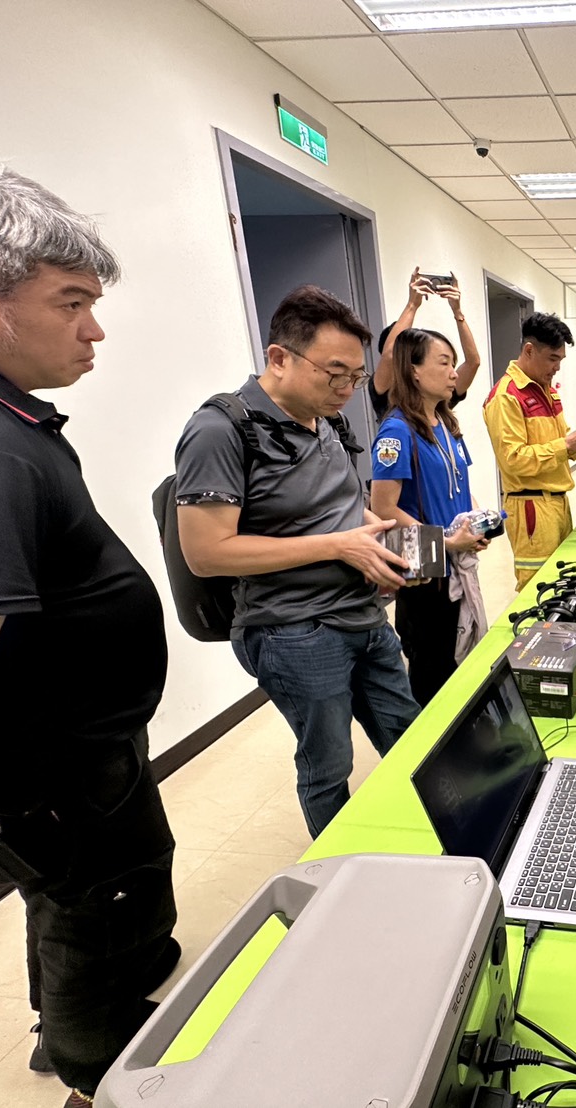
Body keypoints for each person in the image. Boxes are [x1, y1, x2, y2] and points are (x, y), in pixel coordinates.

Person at [0, 147, 178, 1108]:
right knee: (97, 915)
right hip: (46, 779)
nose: (94, 329)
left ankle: (62, 1034)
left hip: (51, 763)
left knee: (65, 901)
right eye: (71, 302)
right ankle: (100, 1076)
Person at [175, 285, 419, 839]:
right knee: (329, 765)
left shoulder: (327, 421)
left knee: (411, 736)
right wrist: (339, 546)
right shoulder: (220, 430)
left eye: (356, 376)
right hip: (294, 630)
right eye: (334, 374)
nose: (347, 389)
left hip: (363, 615)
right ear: (279, 358)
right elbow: (207, 553)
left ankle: (431, 848)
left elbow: (341, 507)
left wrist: (377, 540)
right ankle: (338, 873)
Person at [370, 327, 491, 706]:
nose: (454, 373)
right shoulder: (396, 432)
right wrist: (447, 542)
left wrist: (475, 520)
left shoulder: (446, 424)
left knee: (462, 664)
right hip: (426, 574)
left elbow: (460, 483)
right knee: (433, 675)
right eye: (444, 363)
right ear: (414, 371)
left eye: (453, 364)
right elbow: (383, 508)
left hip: (457, 561)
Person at [484, 312, 576, 589]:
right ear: (529, 350)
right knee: (538, 588)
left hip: (558, 502)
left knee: (564, 582)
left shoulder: (547, 391)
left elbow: (559, 442)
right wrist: (565, 445)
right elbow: (513, 460)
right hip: (531, 508)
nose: (557, 367)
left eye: (560, 360)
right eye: (552, 358)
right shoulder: (507, 396)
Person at [369, 267, 481, 420]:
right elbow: (390, 354)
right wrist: (412, 305)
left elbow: (473, 362)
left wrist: (458, 312)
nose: (453, 373)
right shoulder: (386, 394)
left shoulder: (438, 393)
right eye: (444, 363)